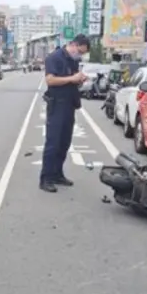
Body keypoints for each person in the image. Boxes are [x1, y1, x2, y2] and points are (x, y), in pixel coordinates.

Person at [39, 34, 90, 193]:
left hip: (69, 104)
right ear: (74, 45)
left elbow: (72, 78)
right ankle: (46, 178)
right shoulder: (54, 58)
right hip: (57, 104)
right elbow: (50, 80)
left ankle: (57, 174)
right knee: (53, 142)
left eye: (82, 53)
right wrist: (71, 78)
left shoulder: (72, 60)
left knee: (64, 142)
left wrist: (79, 79)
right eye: (80, 51)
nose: (79, 55)